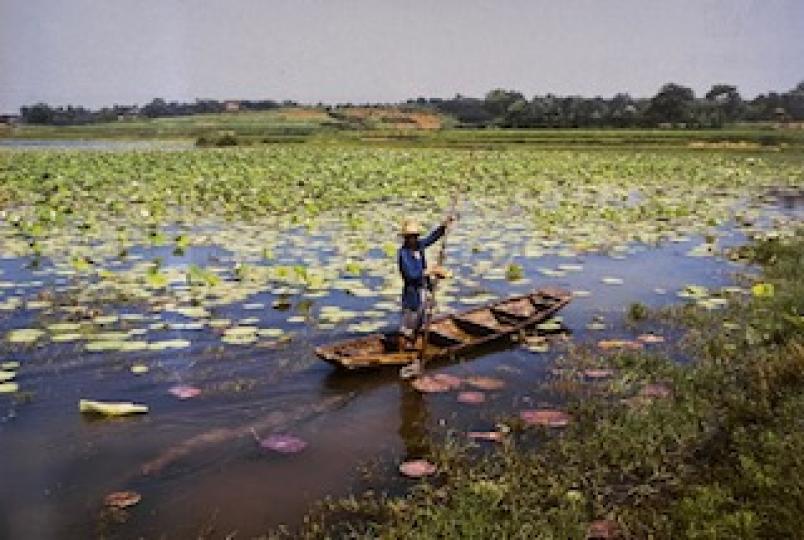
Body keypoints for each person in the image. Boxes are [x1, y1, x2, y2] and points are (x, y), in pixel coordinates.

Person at [396, 216, 452, 366]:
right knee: (407, 326)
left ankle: (416, 349)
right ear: (406, 238)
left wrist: (443, 227)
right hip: (412, 294)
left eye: (415, 236)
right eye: (410, 237)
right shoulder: (403, 254)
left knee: (421, 322)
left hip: (423, 290)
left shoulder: (418, 247)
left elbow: (431, 239)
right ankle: (401, 354)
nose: (414, 239)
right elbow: (411, 275)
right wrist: (430, 271)